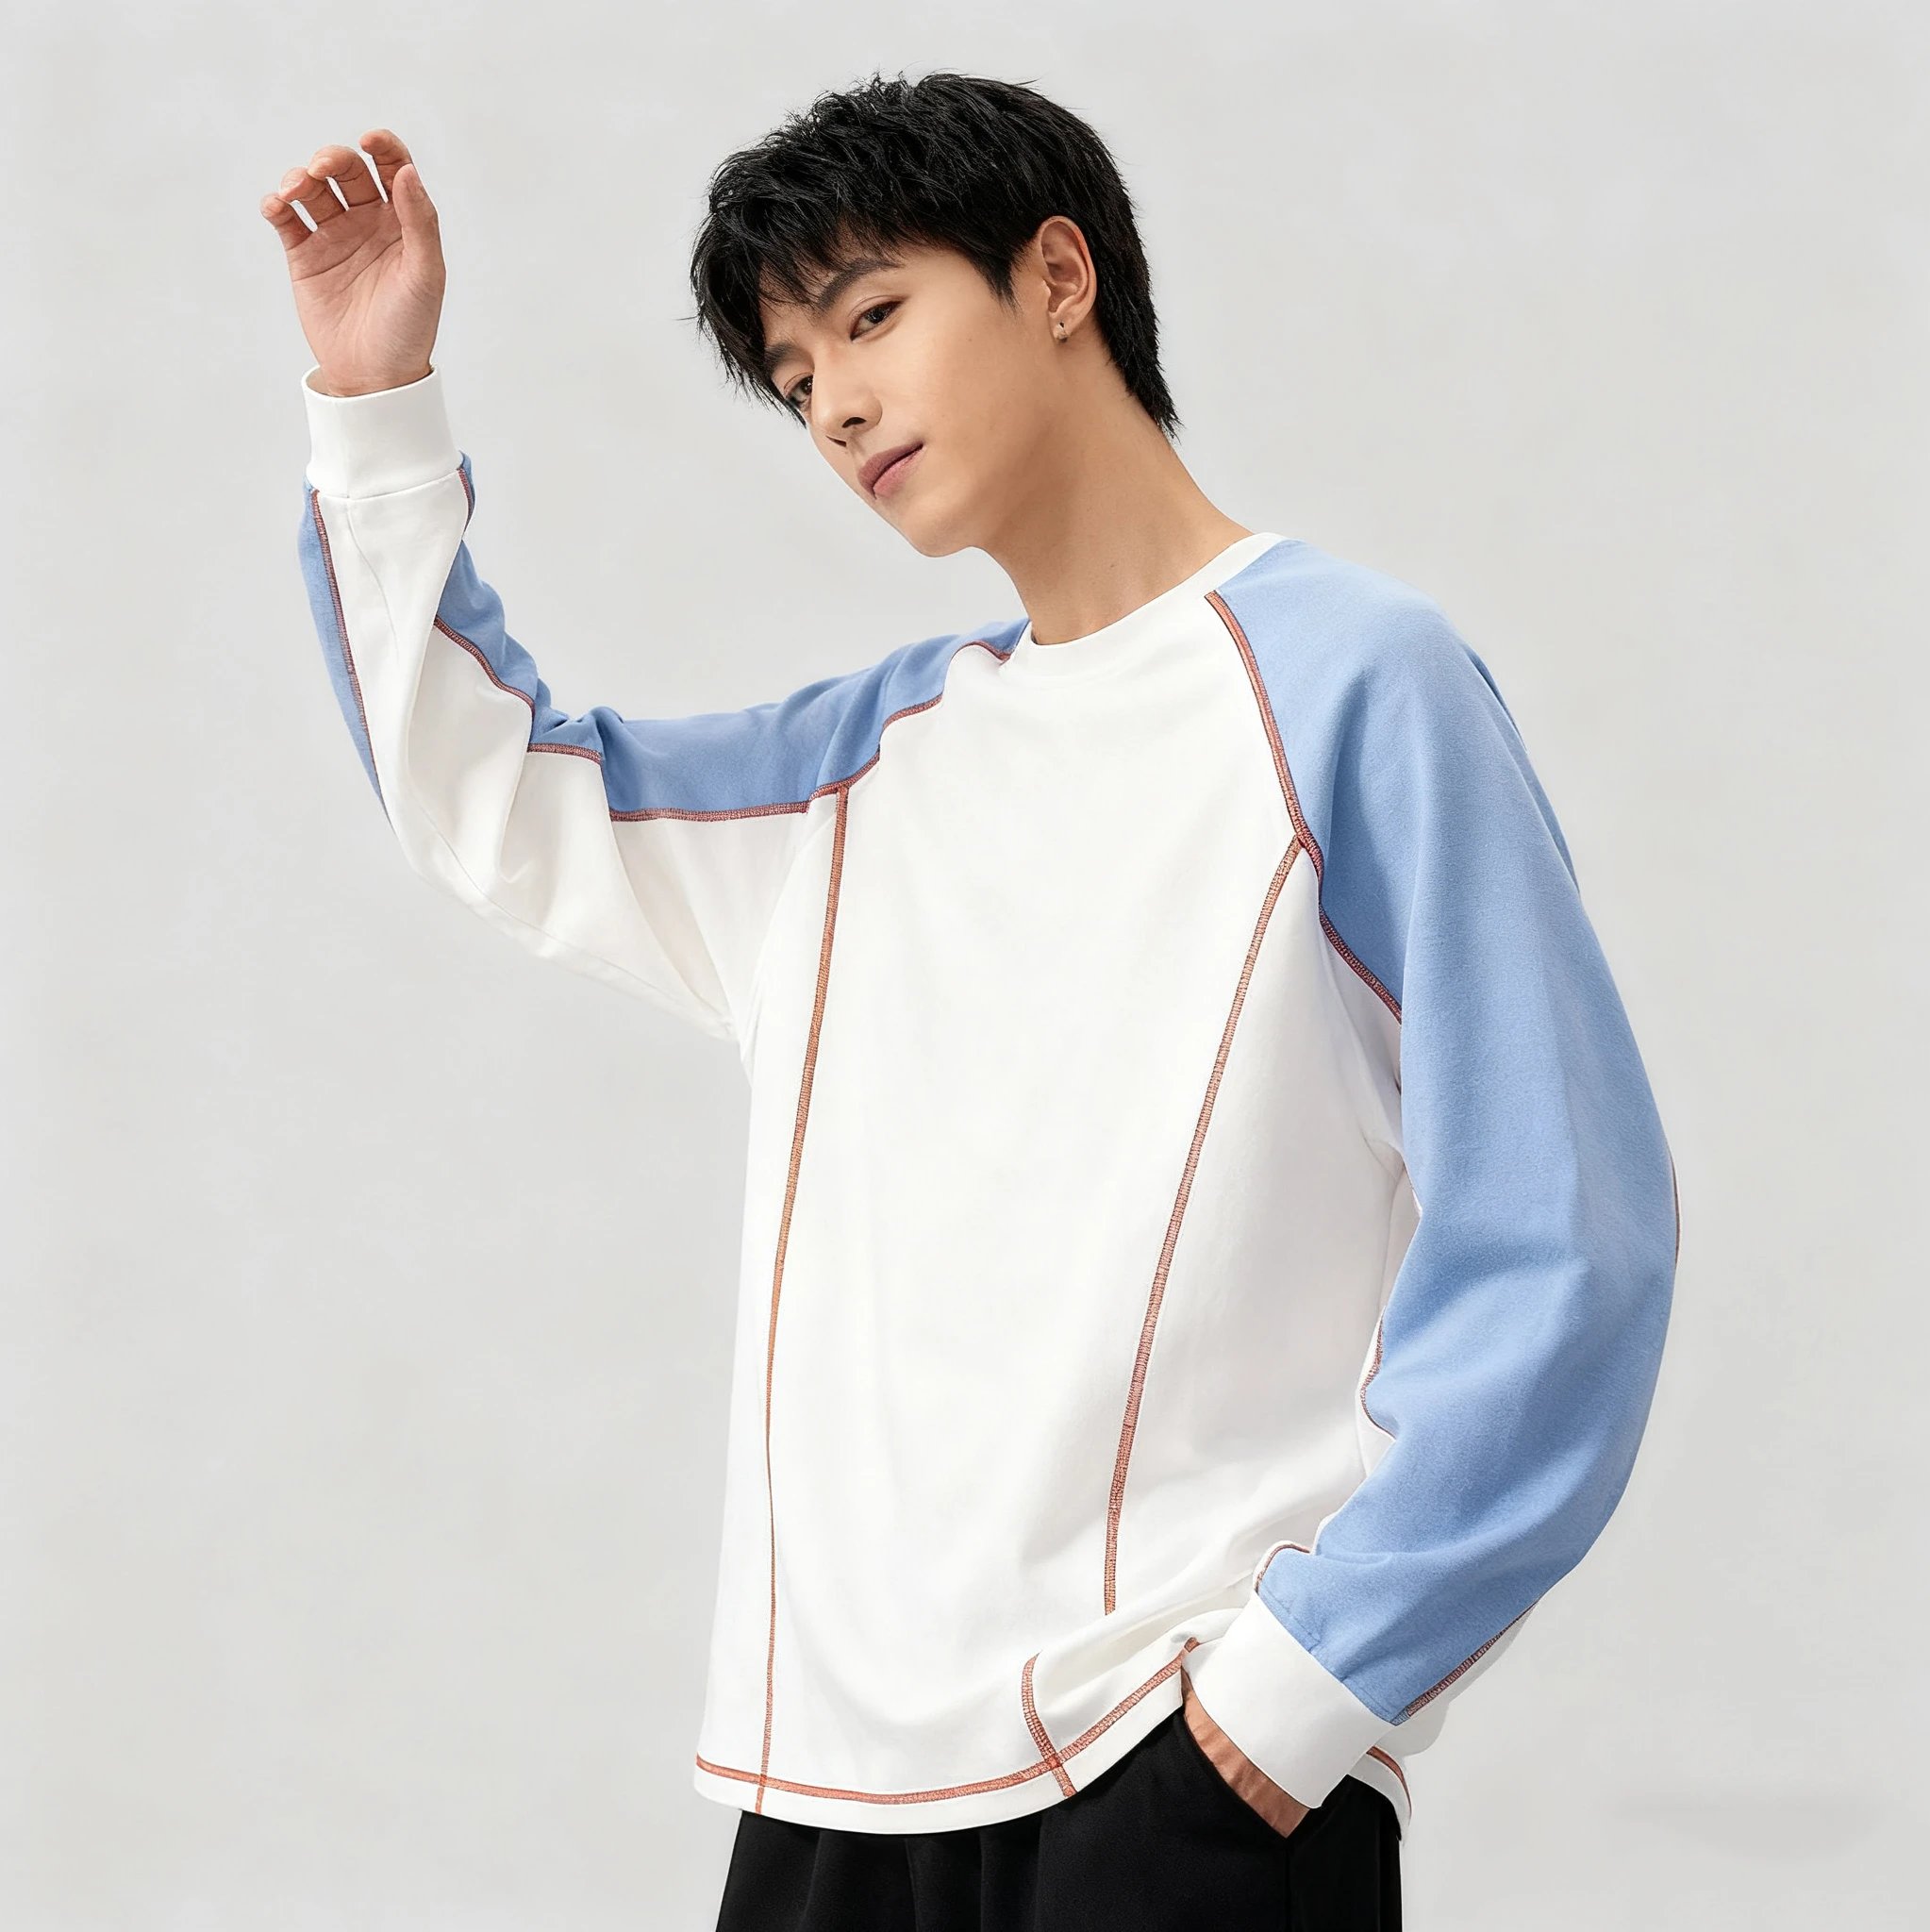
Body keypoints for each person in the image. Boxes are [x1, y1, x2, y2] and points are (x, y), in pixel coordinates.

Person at [261, 70, 1679, 1931]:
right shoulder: (864, 770)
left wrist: (1290, 1698)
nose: (837, 404)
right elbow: (496, 795)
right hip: (830, 1801)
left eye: (871, 316)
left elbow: (1560, 1240)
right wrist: (375, 405)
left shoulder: (1353, 687)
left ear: (1059, 278)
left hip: (1182, 1776)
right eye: (793, 378)